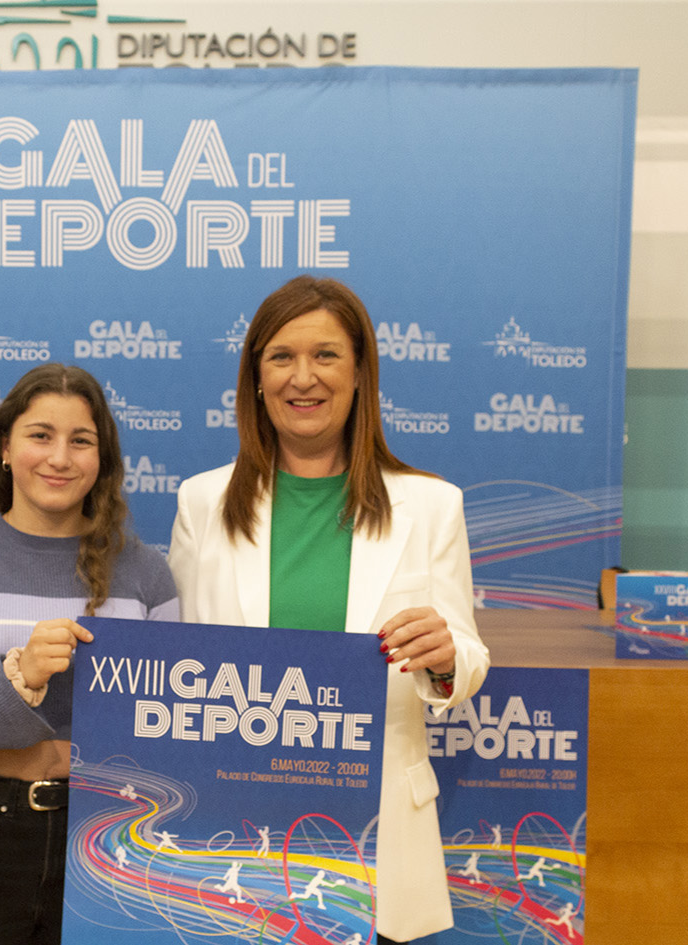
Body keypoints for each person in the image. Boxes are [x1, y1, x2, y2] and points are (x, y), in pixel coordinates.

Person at [168, 275, 489, 945]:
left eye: (326, 355)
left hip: (376, 833)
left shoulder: (432, 505)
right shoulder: (202, 503)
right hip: (234, 828)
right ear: (256, 375)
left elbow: (465, 654)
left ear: (360, 374)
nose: (302, 377)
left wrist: (445, 657)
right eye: (281, 356)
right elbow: (178, 668)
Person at [0, 363, 179, 945]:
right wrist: (16, 676)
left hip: (115, 840)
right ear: (4, 448)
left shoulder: (147, 573)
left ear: (103, 461)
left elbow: (171, 734)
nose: (60, 458)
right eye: (40, 435)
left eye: (81, 441)